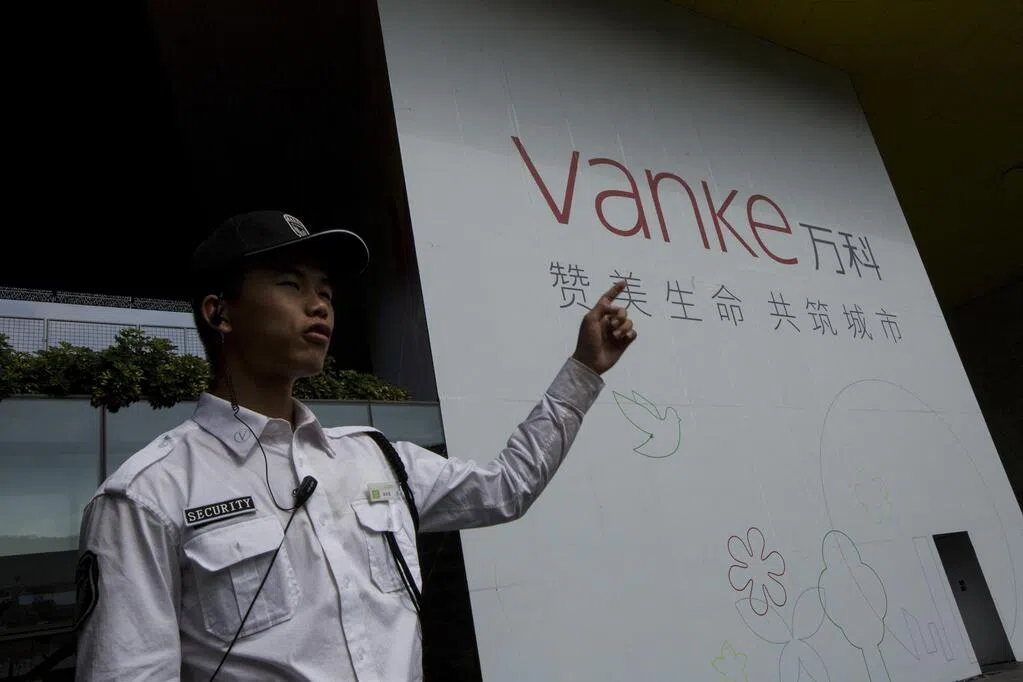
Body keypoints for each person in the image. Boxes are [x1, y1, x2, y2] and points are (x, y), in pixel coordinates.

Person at [74, 210, 637, 681]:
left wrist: (584, 368)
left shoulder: (377, 458)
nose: (319, 305)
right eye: (291, 284)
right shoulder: (145, 497)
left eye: (325, 291)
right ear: (219, 312)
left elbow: (506, 488)